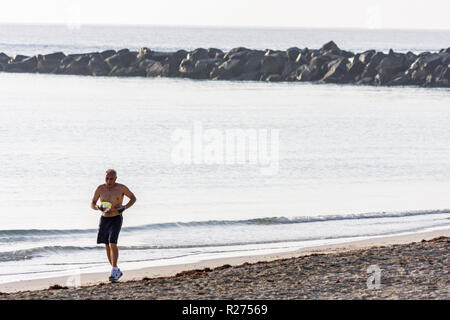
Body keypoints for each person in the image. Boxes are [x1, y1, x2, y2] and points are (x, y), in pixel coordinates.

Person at [90, 169, 136, 282]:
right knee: (106, 245)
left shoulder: (121, 188)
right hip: (104, 219)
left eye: (111, 179)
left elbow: (133, 198)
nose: (109, 181)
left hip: (116, 218)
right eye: (107, 178)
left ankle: (114, 269)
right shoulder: (100, 188)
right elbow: (92, 203)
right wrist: (98, 208)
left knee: (112, 242)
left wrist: (124, 207)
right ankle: (115, 270)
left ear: (115, 178)